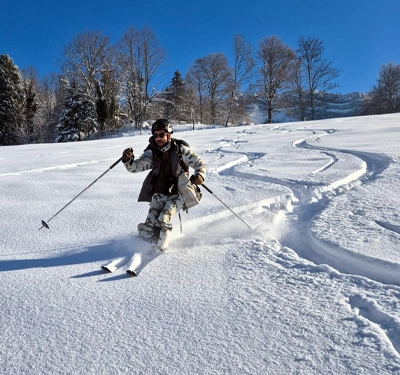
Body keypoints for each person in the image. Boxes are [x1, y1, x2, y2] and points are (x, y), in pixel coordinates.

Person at [122, 119, 206, 251]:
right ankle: (142, 247)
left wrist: (200, 175)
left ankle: (160, 250)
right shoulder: (153, 152)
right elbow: (135, 167)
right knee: (149, 224)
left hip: (179, 192)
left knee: (162, 220)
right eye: (155, 135)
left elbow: (199, 163)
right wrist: (128, 159)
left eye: (161, 135)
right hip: (160, 192)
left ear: (169, 134)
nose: (158, 138)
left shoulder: (180, 150)